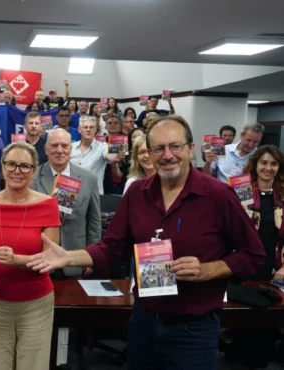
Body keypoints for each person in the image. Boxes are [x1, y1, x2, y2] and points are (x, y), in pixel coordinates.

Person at [27, 115, 266, 370]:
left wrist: (209, 269)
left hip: (194, 329)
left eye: (175, 146)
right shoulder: (138, 193)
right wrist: (68, 256)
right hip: (144, 322)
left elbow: (253, 255)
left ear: (191, 148)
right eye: (158, 148)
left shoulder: (218, 196)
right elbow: (113, 246)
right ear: (149, 153)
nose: (167, 155)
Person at [0, 142, 61, 370]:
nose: (16, 171)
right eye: (11, 164)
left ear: (33, 170)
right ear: (2, 167)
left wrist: (16, 260)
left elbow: (51, 258)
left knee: (33, 365)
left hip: (35, 302)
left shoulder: (48, 205)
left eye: (24, 166)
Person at [224, 145, 284, 370]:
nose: (268, 168)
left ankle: (261, 361)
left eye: (274, 164)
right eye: (264, 163)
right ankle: (235, 358)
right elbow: (230, 227)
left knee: (269, 316)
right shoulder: (242, 190)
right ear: (256, 165)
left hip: (275, 265)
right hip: (245, 261)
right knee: (242, 312)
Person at [30, 129, 101, 278]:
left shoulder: (89, 179)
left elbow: (94, 221)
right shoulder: (32, 179)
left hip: (76, 259)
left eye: (64, 146)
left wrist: (92, 255)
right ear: (46, 149)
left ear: (71, 148)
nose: (59, 151)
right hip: (42, 259)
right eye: (54, 145)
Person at [70, 116, 124, 195]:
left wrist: (115, 156)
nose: (88, 129)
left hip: (93, 195)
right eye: (85, 127)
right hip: (71, 193)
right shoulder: (70, 147)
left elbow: (109, 154)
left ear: (95, 130)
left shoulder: (103, 146)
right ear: (79, 129)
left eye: (91, 127)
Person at [104, 116, 127, 195]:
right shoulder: (100, 141)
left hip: (122, 182)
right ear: (105, 126)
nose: (113, 125)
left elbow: (127, 161)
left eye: (116, 123)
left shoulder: (125, 140)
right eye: (110, 123)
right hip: (105, 181)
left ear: (120, 126)